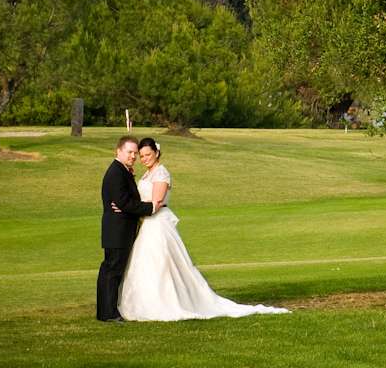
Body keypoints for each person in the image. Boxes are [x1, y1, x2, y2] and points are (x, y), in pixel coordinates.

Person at [117, 137, 288, 321]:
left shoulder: (161, 173)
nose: (144, 159)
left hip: (157, 224)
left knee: (161, 263)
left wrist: (132, 209)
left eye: (147, 155)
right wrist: (126, 207)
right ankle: (145, 302)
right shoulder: (146, 175)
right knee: (145, 264)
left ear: (156, 153)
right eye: (141, 156)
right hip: (147, 225)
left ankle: (167, 302)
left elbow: (155, 203)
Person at [95, 136, 157, 322]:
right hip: (117, 230)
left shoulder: (123, 171)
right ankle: (108, 313)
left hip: (120, 229)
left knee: (112, 270)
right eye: (129, 152)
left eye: (135, 153)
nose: (133, 156)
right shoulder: (116, 172)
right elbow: (124, 203)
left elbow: (125, 203)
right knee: (112, 270)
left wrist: (127, 206)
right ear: (118, 151)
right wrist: (151, 207)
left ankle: (106, 311)